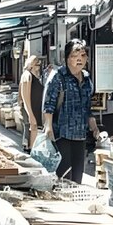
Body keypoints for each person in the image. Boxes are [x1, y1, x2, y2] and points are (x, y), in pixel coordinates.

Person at [42, 39, 100, 184]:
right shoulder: (58, 76)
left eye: (83, 56)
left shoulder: (87, 79)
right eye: (75, 56)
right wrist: (48, 126)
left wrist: (94, 127)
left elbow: (88, 108)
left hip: (80, 134)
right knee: (63, 175)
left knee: (77, 176)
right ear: (67, 58)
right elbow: (49, 104)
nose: (80, 59)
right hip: (61, 133)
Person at [19, 56, 44, 152]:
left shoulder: (35, 75)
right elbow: (25, 96)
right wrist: (30, 113)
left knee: (35, 128)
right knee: (33, 127)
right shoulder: (27, 75)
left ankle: (32, 149)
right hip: (31, 108)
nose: (39, 65)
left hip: (36, 107)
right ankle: (31, 150)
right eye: (36, 63)